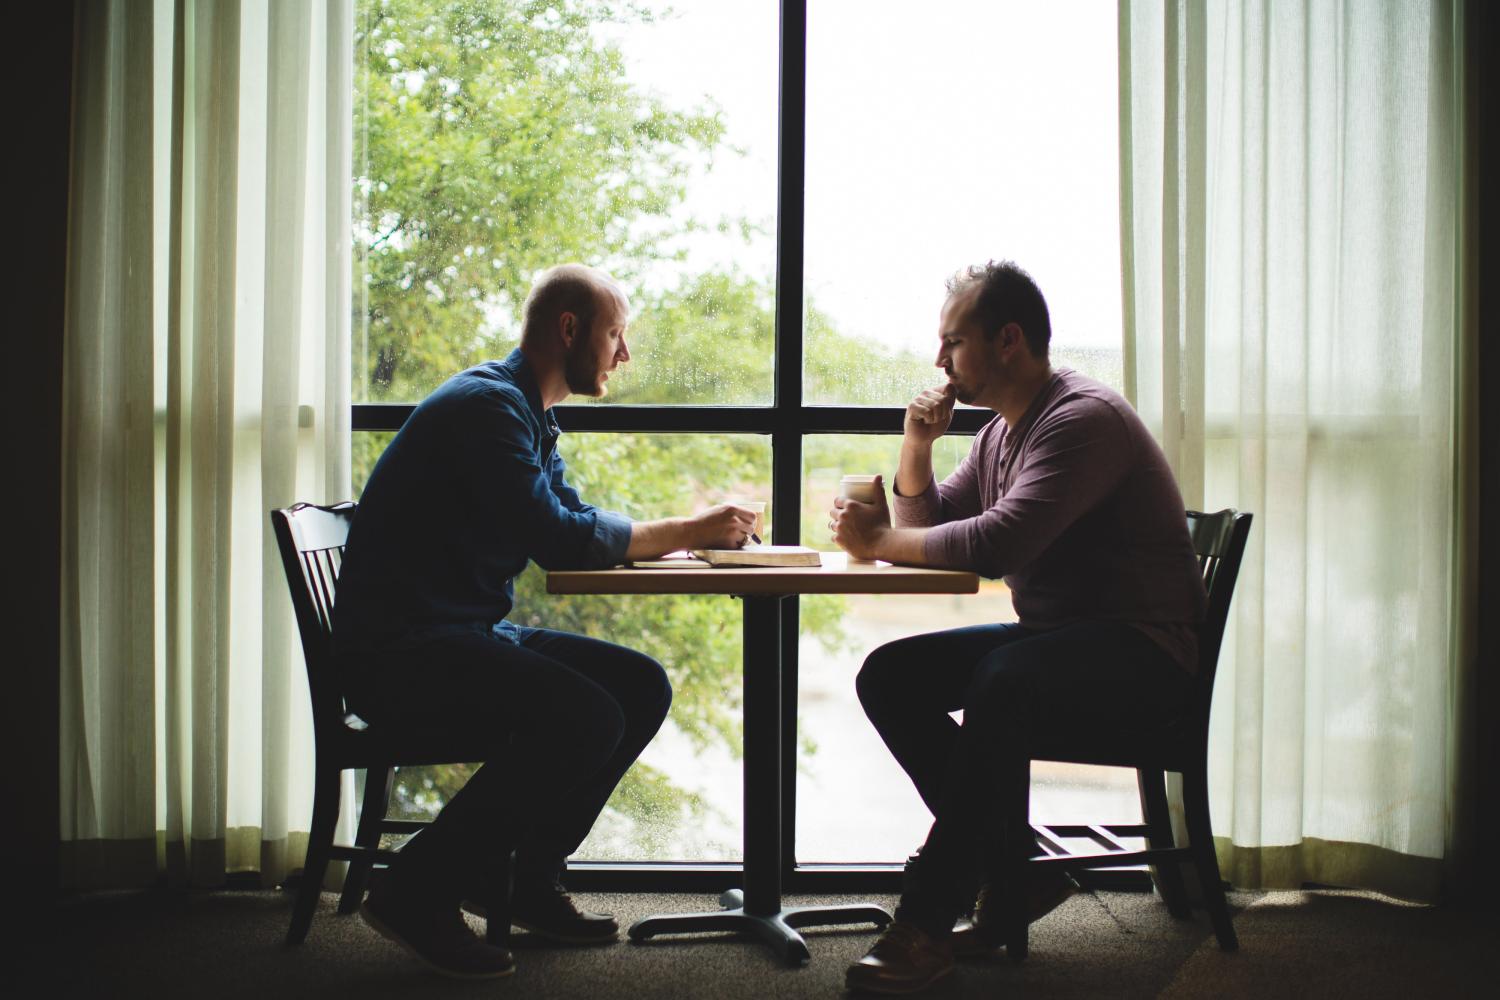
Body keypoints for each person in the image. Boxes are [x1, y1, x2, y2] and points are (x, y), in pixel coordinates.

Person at [332, 264, 757, 980]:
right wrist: (690, 529)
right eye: (616, 334)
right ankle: (417, 888)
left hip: (458, 632)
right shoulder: (488, 409)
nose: (624, 354)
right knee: (588, 717)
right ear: (570, 329)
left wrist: (687, 534)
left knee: (640, 685)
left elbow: (574, 518)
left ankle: (524, 877)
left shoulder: (525, 413)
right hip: (404, 654)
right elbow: (560, 539)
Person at [829, 261, 1207, 995]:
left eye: (952, 342)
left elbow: (994, 545)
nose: (938, 360)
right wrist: (916, 446)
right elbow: (936, 523)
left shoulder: (1082, 420)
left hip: (1145, 654)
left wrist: (877, 543)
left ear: (1007, 340)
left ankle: (927, 919)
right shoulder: (1002, 433)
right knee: (891, 675)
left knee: (1003, 679)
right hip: (1063, 642)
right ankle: (1017, 867)